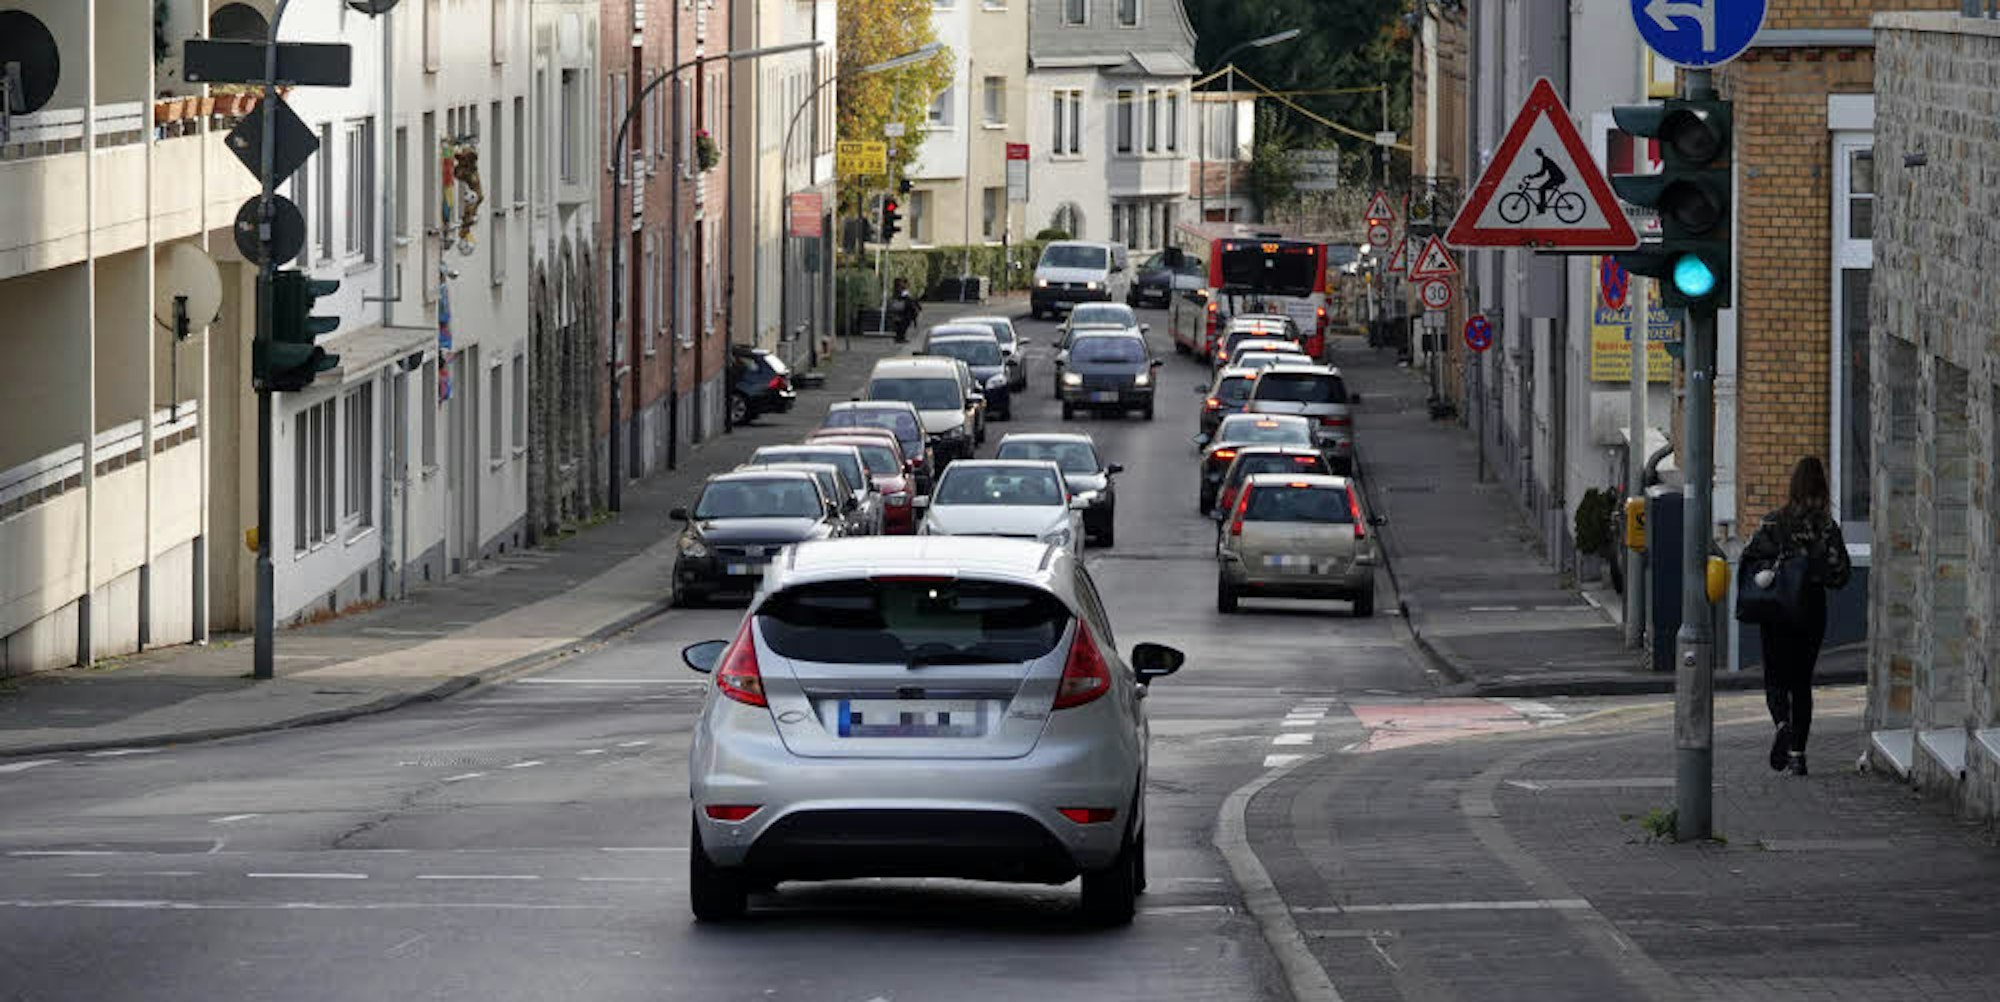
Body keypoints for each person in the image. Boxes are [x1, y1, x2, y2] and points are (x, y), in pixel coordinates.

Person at [1741, 457, 1852, 776]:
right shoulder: (1827, 529)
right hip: (1810, 608)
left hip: (1777, 606)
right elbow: (1840, 575)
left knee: (1775, 676)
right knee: (1801, 681)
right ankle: (1797, 755)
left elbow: (1750, 559)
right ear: (1822, 488)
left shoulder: (1774, 523)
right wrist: (1815, 570)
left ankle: (1781, 723)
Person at [1522, 147, 1567, 213]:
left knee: (1542, 189)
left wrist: (1533, 176)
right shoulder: (1545, 159)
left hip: (1557, 178)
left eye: (1538, 153)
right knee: (1542, 189)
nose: (1538, 154)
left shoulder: (1545, 160)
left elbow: (1542, 173)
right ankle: (1542, 206)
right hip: (1555, 177)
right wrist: (1533, 176)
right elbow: (1542, 172)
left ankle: (1542, 206)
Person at [892, 278, 920, 343]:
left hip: (904, 310)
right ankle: (900, 337)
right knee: (903, 323)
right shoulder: (899, 291)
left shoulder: (902, 290)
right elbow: (902, 298)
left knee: (905, 322)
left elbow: (907, 298)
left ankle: (901, 337)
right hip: (902, 310)